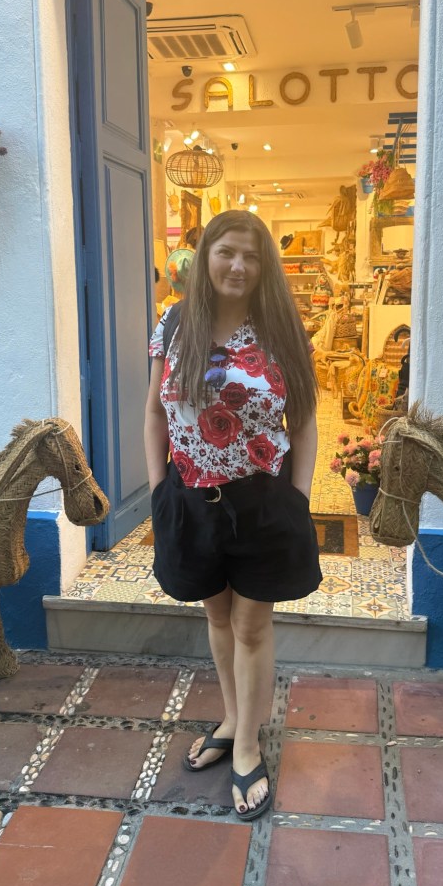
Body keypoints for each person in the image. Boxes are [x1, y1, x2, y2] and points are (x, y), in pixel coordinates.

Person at [144, 209, 321, 821]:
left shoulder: (281, 327)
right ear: (205, 258)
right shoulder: (174, 324)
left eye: (250, 255)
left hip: (263, 500)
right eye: (226, 252)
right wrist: (159, 490)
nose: (238, 265)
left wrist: (298, 499)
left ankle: (247, 743)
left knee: (251, 624)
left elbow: (304, 421)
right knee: (217, 616)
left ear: (263, 264)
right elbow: (155, 412)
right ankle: (231, 715)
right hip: (192, 500)